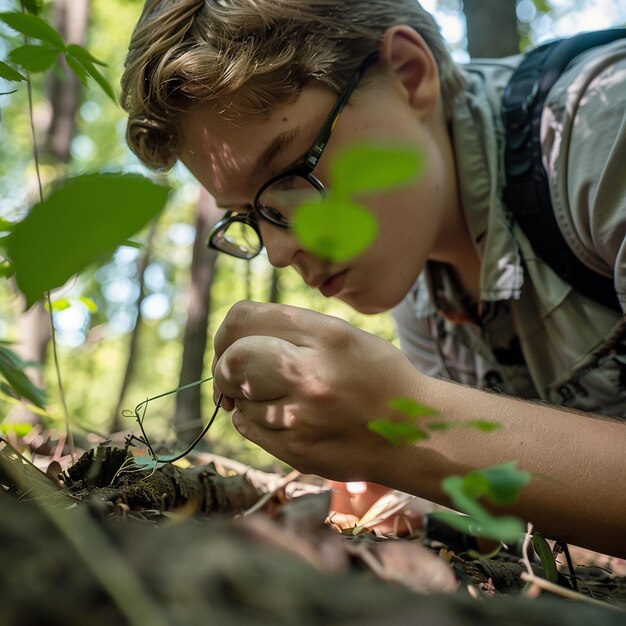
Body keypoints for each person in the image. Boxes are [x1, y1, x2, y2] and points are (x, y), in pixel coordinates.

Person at [120, 0, 626, 557]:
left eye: (290, 178)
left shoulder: (604, 130)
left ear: (409, 74)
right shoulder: (420, 284)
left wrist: (412, 431)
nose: (280, 251)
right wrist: (417, 484)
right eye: (248, 215)